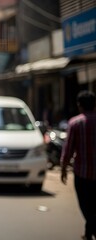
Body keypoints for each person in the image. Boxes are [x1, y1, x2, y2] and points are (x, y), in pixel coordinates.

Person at [61, 90, 96, 240]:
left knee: (86, 206)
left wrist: (63, 169)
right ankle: (88, 233)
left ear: (79, 105)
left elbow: (68, 150)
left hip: (82, 174)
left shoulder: (75, 123)